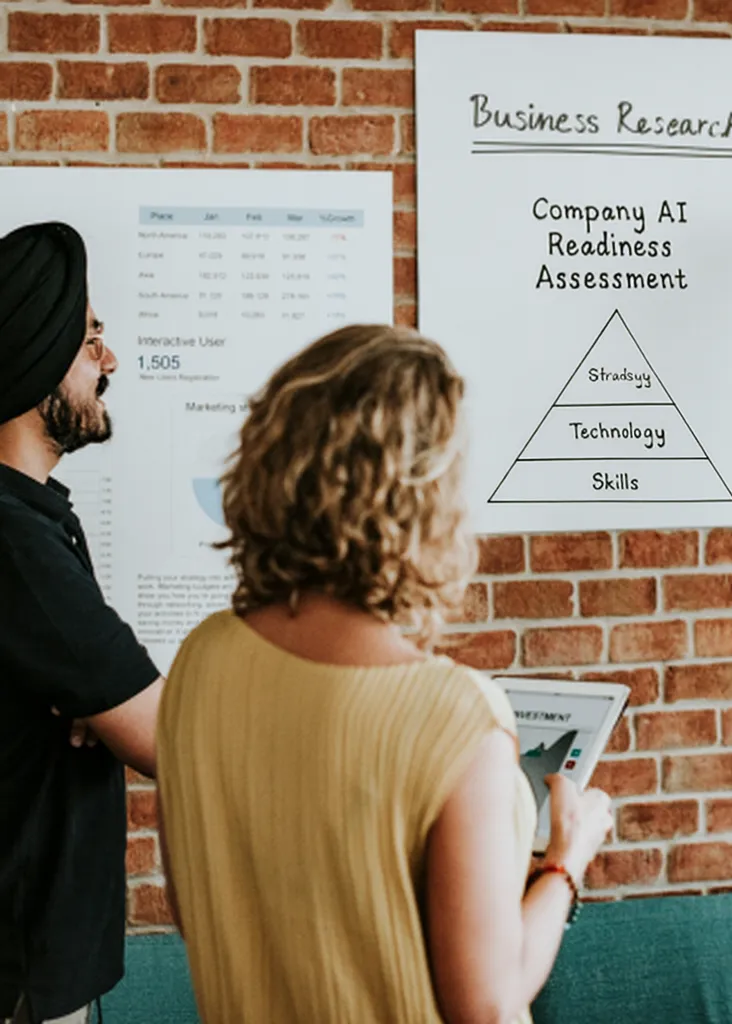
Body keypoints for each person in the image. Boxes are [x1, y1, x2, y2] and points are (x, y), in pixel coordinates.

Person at [156, 324, 613, 1024]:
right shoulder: (456, 720)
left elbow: (206, 912)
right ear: (424, 502)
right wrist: (564, 864)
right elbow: (487, 1007)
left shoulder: (200, 661)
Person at [0, 222, 164, 1024]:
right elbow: (164, 736)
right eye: (91, 336)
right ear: (35, 362)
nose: (110, 361)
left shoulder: (34, 520)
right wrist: (113, 712)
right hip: (19, 972)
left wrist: (97, 707)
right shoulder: (12, 539)